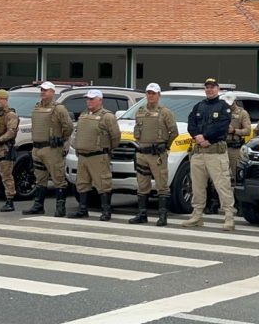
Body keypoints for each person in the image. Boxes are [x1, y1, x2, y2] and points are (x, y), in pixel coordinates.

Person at [182, 78, 237, 231]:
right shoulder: (199, 106)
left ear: (217, 89)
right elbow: (191, 123)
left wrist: (206, 137)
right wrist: (197, 137)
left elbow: (222, 126)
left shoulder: (223, 107)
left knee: (222, 185)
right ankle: (197, 215)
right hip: (199, 152)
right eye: (207, 87)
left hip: (215, 153)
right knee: (197, 186)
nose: (209, 90)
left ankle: (229, 216)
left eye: (212, 87)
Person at [130, 82, 178, 226]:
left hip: (157, 154)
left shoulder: (165, 112)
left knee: (161, 185)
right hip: (142, 153)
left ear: (158, 95)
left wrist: (165, 146)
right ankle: (142, 214)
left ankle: (162, 216)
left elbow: (174, 132)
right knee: (142, 184)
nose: (150, 96)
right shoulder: (140, 111)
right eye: (148, 93)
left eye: (153, 93)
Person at [23, 81, 74, 216]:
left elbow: (68, 126)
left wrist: (61, 139)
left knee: (58, 178)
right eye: (41, 90)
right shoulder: (37, 106)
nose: (43, 92)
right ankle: (38, 205)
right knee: (40, 178)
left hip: (52, 149)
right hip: (37, 148)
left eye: (45, 90)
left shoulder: (58, 108)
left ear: (52, 92)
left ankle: (60, 207)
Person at [70, 89, 120, 220]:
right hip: (83, 156)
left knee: (103, 184)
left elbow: (115, 137)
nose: (89, 101)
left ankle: (106, 211)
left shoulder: (107, 116)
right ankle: (82, 209)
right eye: (88, 99)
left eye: (92, 99)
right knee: (82, 183)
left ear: (100, 100)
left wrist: (106, 149)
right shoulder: (84, 114)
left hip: (98, 156)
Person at [224, 92, 252, 189]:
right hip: (221, 146)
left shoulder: (242, 113)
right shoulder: (221, 112)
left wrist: (234, 131)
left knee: (235, 174)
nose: (228, 104)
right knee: (220, 175)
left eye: (230, 102)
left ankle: (236, 198)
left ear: (235, 101)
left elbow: (248, 130)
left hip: (234, 148)